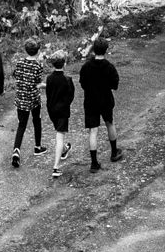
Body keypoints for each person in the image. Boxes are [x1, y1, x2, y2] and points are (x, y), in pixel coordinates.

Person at [78, 36, 121, 171]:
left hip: (90, 101)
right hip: (106, 100)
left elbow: (82, 84)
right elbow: (115, 85)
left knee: (93, 131)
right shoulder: (109, 67)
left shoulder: (86, 67)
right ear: (106, 50)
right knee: (110, 123)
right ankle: (114, 152)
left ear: (93, 49)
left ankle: (94, 163)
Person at [8, 39, 46, 167]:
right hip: (33, 98)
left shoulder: (19, 63)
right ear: (38, 51)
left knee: (21, 125)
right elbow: (38, 83)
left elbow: (15, 75)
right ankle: (37, 147)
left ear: (26, 50)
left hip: (21, 98)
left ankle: (16, 150)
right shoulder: (37, 65)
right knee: (37, 120)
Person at [44, 55, 77, 179]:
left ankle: (64, 149)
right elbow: (71, 96)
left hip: (51, 110)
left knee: (59, 133)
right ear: (64, 64)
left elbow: (48, 93)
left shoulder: (49, 78)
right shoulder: (67, 79)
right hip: (62, 110)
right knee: (60, 136)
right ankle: (56, 167)